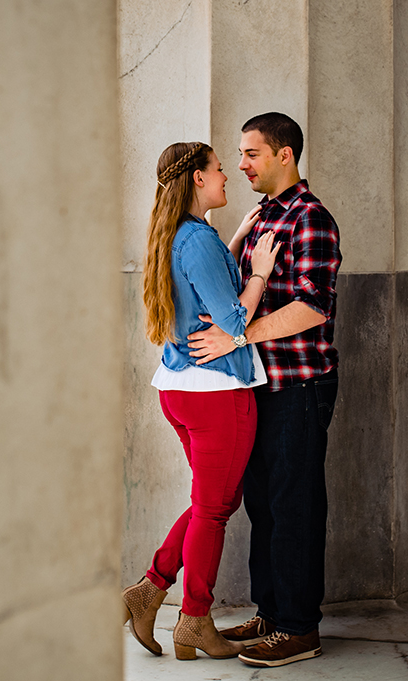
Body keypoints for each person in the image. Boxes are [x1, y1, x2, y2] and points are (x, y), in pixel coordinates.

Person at [187, 112, 342, 668]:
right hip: (257, 386)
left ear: (285, 155)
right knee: (264, 505)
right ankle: (272, 614)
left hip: (300, 385)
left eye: (251, 154)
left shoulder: (311, 218)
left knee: (294, 505)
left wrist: (239, 337)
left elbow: (311, 305)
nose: (243, 164)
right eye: (239, 156)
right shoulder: (261, 218)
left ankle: (300, 628)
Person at [122, 141, 280, 661]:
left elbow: (204, 274)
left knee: (210, 503)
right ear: (196, 179)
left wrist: (232, 240)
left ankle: (149, 590)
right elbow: (236, 323)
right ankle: (193, 619)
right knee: (213, 511)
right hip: (217, 397)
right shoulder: (197, 243)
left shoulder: (179, 235)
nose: (228, 175)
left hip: (180, 392)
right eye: (218, 169)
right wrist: (258, 268)